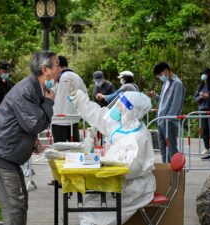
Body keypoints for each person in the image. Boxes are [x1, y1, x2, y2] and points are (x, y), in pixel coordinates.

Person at [0, 51, 58, 224]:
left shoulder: (36, 88)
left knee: (20, 204)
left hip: (9, 155)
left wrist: (33, 141)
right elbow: (35, 124)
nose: (59, 69)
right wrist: (48, 102)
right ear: (45, 69)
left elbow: (25, 122)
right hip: (1, 155)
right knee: (15, 207)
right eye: (57, 65)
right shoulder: (27, 89)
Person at [66, 80, 155, 225]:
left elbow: (132, 168)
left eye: (121, 104)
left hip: (135, 186)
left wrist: (106, 163)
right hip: (116, 181)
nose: (117, 106)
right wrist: (78, 97)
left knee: (97, 210)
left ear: (130, 110)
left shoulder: (139, 136)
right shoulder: (119, 125)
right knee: (89, 202)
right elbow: (96, 114)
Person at [150, 62, 185, 163]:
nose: (160, 77)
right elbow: (164, 100)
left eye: (160, 75)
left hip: (169, 121)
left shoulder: (177, 83)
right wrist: (156, 96)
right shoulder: (166, 83)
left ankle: (175, 174)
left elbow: (176, 104)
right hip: (161, 121)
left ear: (166, 71)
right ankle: (166, 171)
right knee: (163, 150)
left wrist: (168, 119)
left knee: (172, 150)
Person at [51, 55, 87, 143]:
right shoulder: (78, 78)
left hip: (58, 120)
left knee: (59, 153)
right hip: (73, 120)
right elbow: (85, 97)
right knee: (75, 152)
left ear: (58, 65)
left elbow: (49, 96)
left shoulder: (56, 78)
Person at [194, 68, 210, 155]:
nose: (203, 75)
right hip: (202, 110)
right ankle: (207, 147)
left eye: (205, 74)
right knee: (204, 129)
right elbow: (196, 98)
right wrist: (201, 97)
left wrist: (207, 97)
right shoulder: (200, 86)